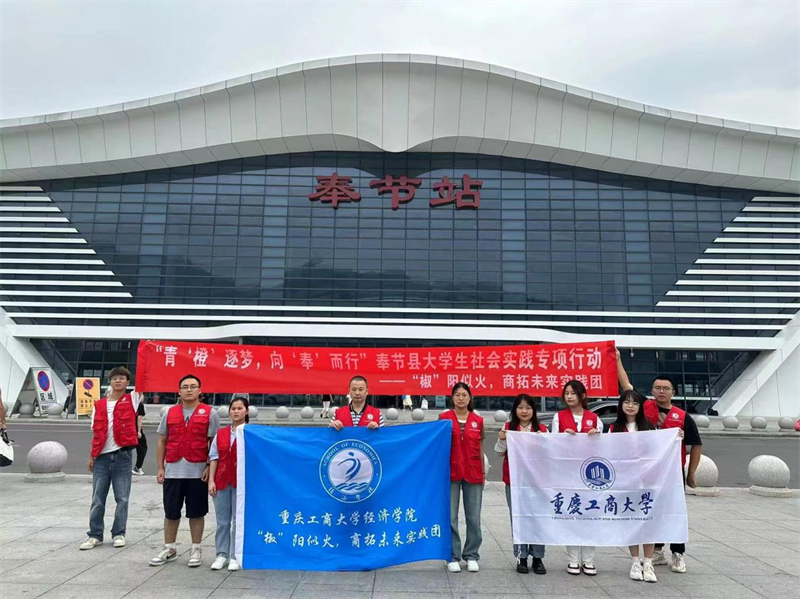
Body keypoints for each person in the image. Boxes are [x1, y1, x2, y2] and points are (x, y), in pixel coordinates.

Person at [617, 351, 700, 574]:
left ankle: (678, 553)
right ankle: (657, 551)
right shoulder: (645, 408)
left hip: (672, 472)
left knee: (673, 510)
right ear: (652, 391)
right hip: (646, 471)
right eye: (657, 388)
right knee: (651, 508)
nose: (661, 391)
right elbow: (626, 386)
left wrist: (691, 472)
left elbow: (696, 444)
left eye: (665, 388)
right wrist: (617, 360)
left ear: (673, 392)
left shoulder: (683, 416)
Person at [150, 374, 220, 568]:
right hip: (172, 470)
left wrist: (209, 467)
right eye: (185, 387)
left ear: (200, 391)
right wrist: (160, 467)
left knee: (196, 513)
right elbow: (162, 441)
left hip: (197, 472)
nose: (189, 390)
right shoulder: (170, 413)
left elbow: (214, 444)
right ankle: (170, 548)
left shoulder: (210, 413)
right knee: (171, 512)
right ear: (179, 391)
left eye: (193, 386)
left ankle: (196, 548)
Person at [80, 366, 140, 550]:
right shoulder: (99, 405)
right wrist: (92, 456)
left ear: (128, 382)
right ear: (110, 381)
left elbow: (144, 382)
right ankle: (95, 535)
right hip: (101, 457)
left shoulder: (133, 400)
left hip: (122, 456)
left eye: (122, 378)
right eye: (114, 378)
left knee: (122, 498)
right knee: (97, 499)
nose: (118, 381)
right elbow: (96, 434)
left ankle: (119, 533)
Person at [551, 379, 602, 576]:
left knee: (590, 516)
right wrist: (563, 437)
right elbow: (553, 444)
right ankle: (573, 559)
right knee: (571, 514)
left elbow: (603, 447)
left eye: (573, 393)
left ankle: (588, 559)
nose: (569, 396)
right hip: (567, 474)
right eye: (566, 393)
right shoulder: (559, 417)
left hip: (589, 476)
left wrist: (596, 436)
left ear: (583, 395)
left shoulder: (594, 418)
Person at [495, 393, 548, 575]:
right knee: (518, 518)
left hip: (536, 482)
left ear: (534, 410)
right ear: (515, 410)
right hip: (514, 482)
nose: (524, 411)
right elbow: (498, 452)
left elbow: (549, 454)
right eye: (520, 407)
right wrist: (502, 439)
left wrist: (544, 442)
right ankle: (521, 556)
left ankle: (538, 557)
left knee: (537, 518)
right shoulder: (508, 427)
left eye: (528, 407)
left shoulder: (542, 429)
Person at [609, 390, 658, 583]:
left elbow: (659, 449)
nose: (630, 406)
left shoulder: (649, 427)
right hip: (626, 482)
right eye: (627, 402)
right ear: (621, 405)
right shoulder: (615, 428)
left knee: (648, 520)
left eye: (635, 403)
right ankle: (635, 561)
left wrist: (675, 436)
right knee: (631, 520)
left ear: (640, 407)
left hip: (647, 481)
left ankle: (649, 562)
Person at [439, 382, 484, 573]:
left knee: (473, 516)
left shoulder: (478, 420)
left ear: (470, 398)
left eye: (464, 395)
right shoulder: (444, 418)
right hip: (450, 472)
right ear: (452, 397)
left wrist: (483, 473)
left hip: (473, 472)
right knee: (450, 516)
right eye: (457, 394)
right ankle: (452, 555)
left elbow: (480, 447)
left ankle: (471, 555)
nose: (461, 398)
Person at [208, 395, 248, 571]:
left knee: (238, 521)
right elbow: (214, 457)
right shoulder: (221, 433)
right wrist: (211, 480)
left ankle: (235, 555)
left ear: (247, 411)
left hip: (242, 483)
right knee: (223, 521)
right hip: (222, 480)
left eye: (240, 408)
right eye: (233, 408)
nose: (236, 411)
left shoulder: (251, 433)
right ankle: (221, 554)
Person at [132, 399, 147, 475]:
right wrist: (139, 431)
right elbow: (139, 418)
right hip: (135, 429)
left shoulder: (128, 402)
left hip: (127, 428)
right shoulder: (139, 404)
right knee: (142, 448)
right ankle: (137, 467)